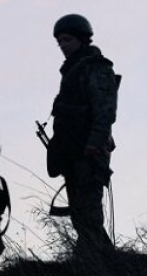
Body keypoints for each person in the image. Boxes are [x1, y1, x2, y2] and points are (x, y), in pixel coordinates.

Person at [46, 14, 119, 258]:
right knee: (79, 213)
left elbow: (105, 111)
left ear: (81, 39)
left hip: (89, 152)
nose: (63, 45)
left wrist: (93, 145)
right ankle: (95, 257)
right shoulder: (71, 72)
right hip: (72, 153)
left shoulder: (96, 68)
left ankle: (100, 261)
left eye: (67, 39)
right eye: (59, 42)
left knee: (89, 213)